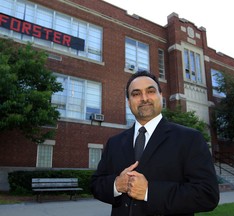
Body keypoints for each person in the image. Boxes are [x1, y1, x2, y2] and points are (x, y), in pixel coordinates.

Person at [91, 71, 219, 216]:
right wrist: (116, 185)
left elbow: (207, 195)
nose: (144, 98)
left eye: (150, 91)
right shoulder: (114, 142)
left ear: (161, 96)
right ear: (128, 102)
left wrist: (148, 191)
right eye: (136, 94)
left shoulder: (190, 139)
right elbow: (96, 184)